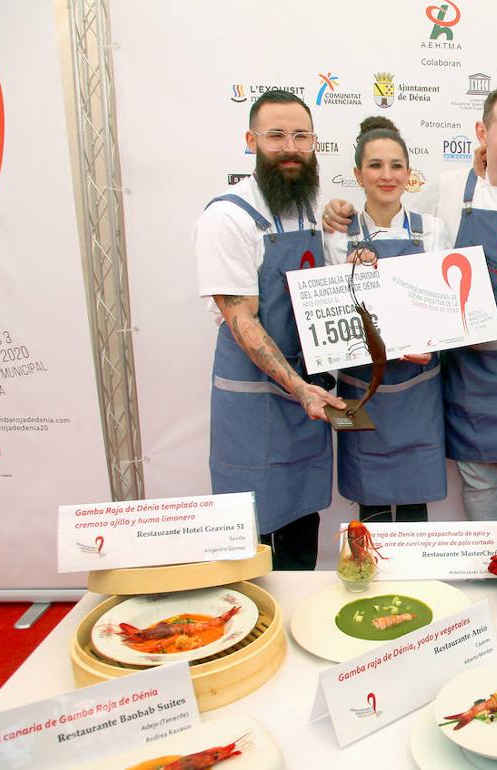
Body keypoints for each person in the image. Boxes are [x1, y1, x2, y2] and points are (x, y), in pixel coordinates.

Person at [325, 80, 497, 520]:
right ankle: (493, 576)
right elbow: (393, 221)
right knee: (480, 487)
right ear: (482, 133)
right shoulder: (447, 191)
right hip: (469, 375)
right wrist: (339, 214)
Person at [194, 89, 343, 569]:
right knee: (255, 540)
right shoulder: (228, 218)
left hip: (305, 402)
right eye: (276, 135)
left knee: (302, 523)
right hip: (254, 409)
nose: (290, 147)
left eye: (301, 136)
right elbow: (242, 319)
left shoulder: (306, 208)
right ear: (251, 141)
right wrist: (299, 387)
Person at [325, 116, 452, 523]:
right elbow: (326, 315)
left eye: (396, 165)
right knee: (371, 501)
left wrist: (430, 341)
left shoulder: (432, 231)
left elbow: (446, 306)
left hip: (418, 388)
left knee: (415, 503)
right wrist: (348, 275)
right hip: (362, 386)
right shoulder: (334, 236)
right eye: (376, 165)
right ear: (358, 174)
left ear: (409, 174)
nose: (387, 175)